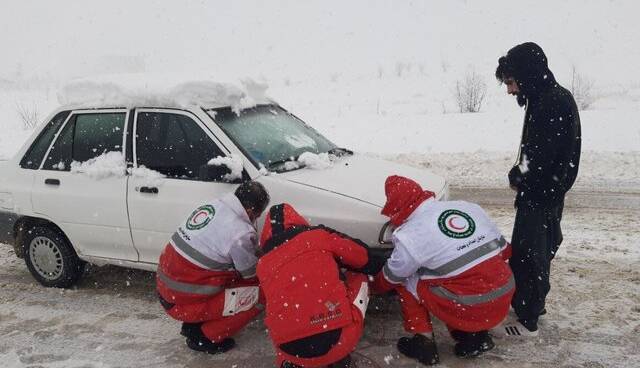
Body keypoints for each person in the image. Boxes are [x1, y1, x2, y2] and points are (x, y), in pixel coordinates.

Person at [372, 175, 514, 365]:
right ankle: (473, 338)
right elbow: (505, 251)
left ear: (396, 207)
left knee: (407, 280)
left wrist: (375, 286)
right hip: (503, 294)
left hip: (469, 305)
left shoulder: (412, 234)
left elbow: (393, 275)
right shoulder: (468, 207)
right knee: (456, 276)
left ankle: (423, 344)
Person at [495, 42, 581, 336]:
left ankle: (528, 320)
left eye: (510, 81)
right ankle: (529, 305)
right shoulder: (546, 97)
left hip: (541, 194)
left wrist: (519, 175)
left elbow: (540, 157)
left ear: (526, 74)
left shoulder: (551, 102)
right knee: (535, 251)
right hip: (545, 192)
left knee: (531, 255)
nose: (509, 90)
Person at [257, 203, 385, 368]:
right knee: (359, 276)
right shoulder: (318, 236)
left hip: (289, 352)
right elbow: (361, 257)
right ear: (298, 220)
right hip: (340, 342)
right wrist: (379, 267)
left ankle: (291, 362)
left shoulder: (262, 264)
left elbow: (266, 300)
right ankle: (334, 352)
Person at [156, 181, 270, 354]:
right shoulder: (240, 233)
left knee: (227, 274)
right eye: (258, 214)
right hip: (182, 302)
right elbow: (251, 274)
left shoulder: (213, 205)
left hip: (167, 291)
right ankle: (205, 337)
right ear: (250, 211)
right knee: (262, 292)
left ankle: (194, 324)